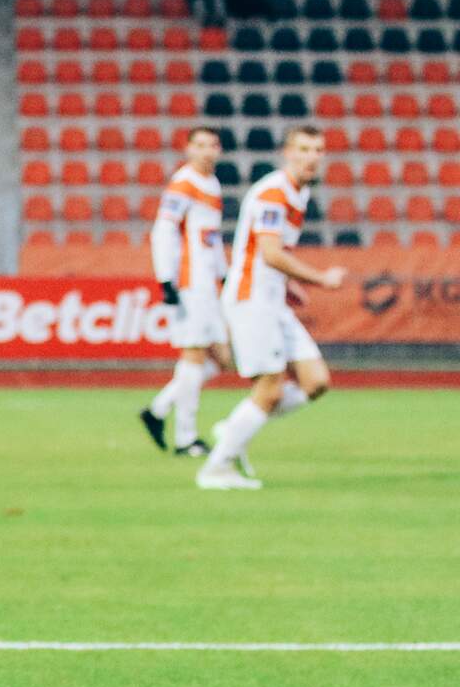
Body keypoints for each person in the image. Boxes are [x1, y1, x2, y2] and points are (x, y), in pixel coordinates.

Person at [198, 126, 345, 490]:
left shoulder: (299, 192)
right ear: (287, 153)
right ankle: (216, 468)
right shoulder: (274, 193)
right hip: (252, 299)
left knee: (316, 382)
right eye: (304, 149)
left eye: (318, 150)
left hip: (272, 299)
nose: (312, 157)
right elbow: (270, 253)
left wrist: (289, 284)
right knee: (270, 388)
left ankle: (235, 429)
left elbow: (268, 252)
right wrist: (320, 278)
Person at [140, 127, 231, 457]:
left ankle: (158, 409)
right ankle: (185, 438)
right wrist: (166, 279)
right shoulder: (184, 183)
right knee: (194, 355)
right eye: (200, 145)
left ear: (219, 150)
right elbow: (163, 230)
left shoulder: (212, 184)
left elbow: (211, 237)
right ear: (188, 149)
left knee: (223, 358)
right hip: (188, 281)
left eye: (212, 145)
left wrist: (224, 275)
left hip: (207, 282)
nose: (206, 151)